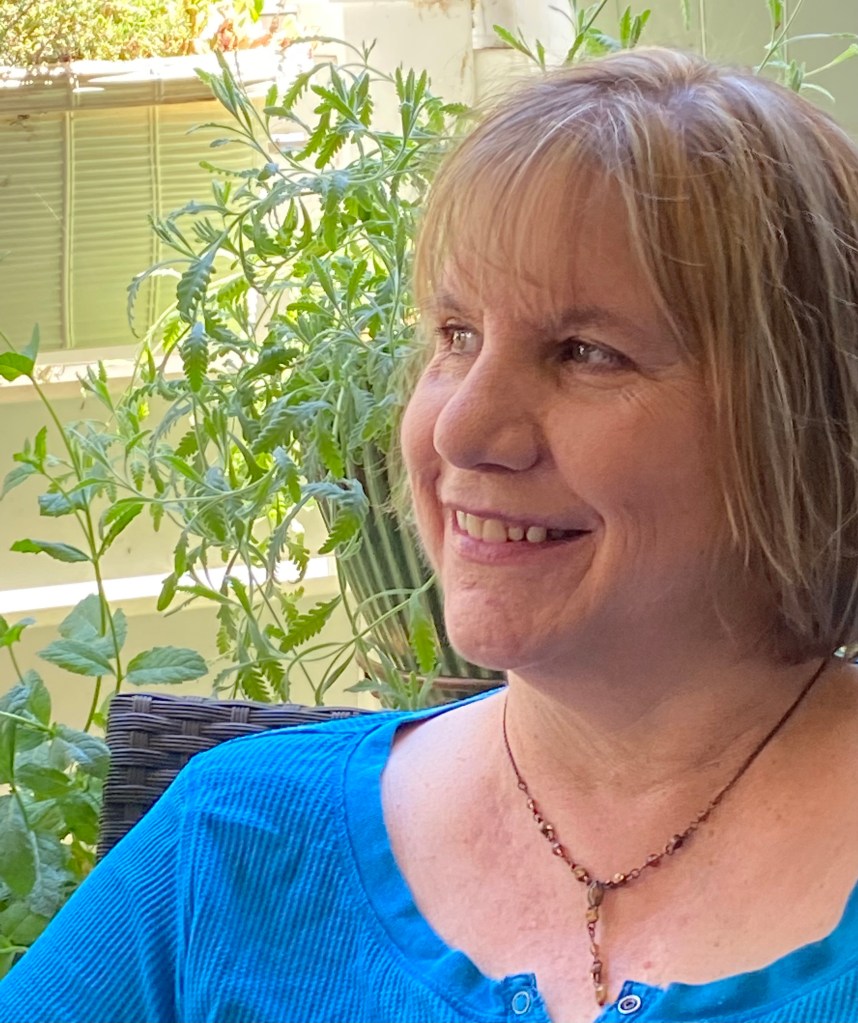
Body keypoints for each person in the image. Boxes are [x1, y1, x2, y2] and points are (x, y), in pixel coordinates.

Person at [3, 45, 858, 1023]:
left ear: (808, 428)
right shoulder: (233, 841)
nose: (460, 429)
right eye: (457, 335)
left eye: (585, 352)